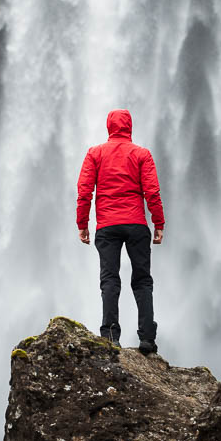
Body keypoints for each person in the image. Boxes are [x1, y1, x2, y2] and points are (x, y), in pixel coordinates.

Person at [76, 109, 165, 354]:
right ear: (130, 127)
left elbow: (84, 191)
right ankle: (147, 339)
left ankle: (111, 336)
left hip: (107, 226)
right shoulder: (141, 154)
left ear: (109, 127)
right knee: (142, 280)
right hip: (136, 225)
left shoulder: (95, 153)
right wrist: (158, 224)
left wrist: (82, 223)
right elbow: (152, 192)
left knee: (109, 279)